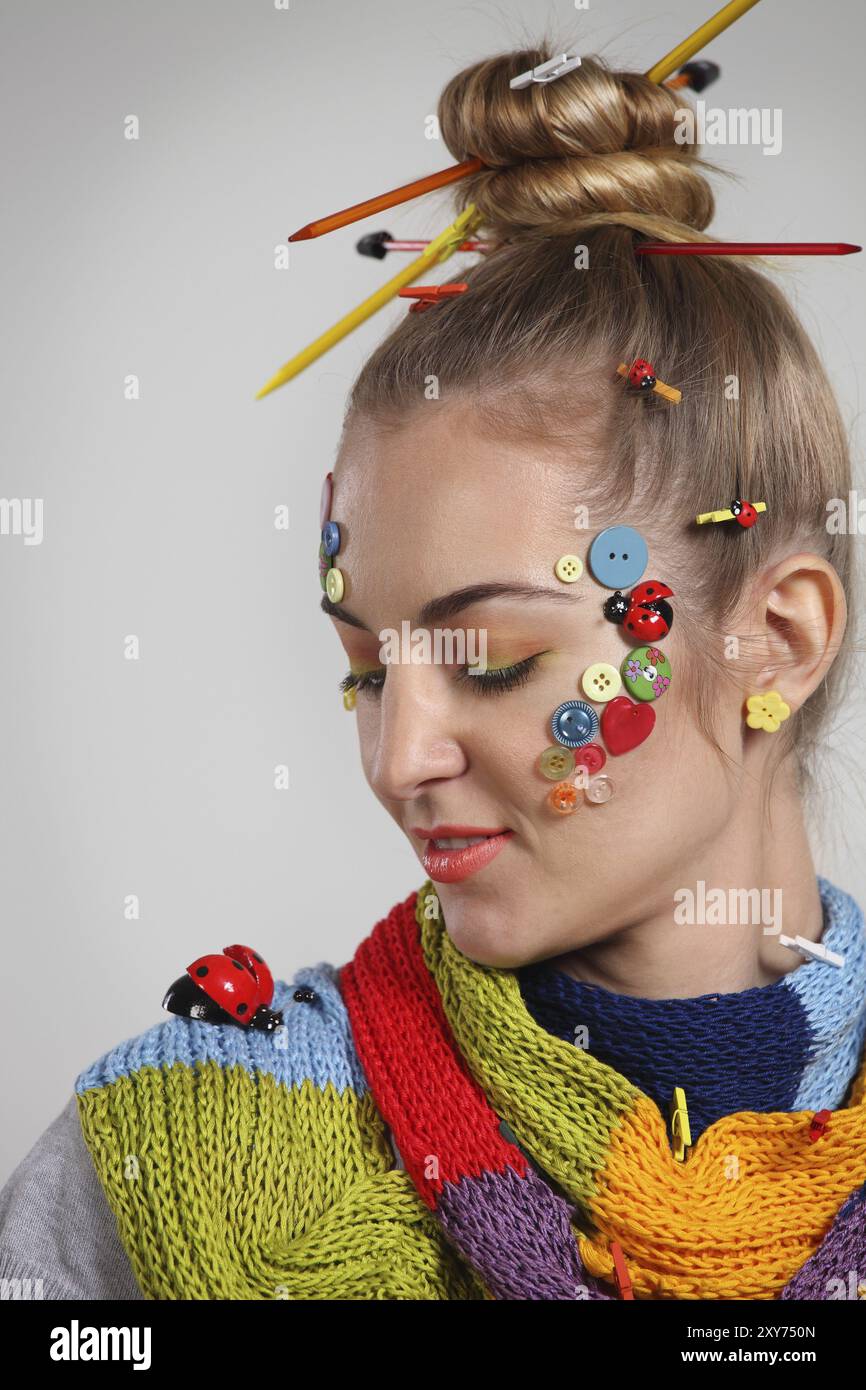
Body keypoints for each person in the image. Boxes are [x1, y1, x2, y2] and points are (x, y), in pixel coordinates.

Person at [2, 45, 864, 1302]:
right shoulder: (164, 1152)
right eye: (363, 672)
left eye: (495, 662)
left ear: (772, 639)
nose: (398, 759)